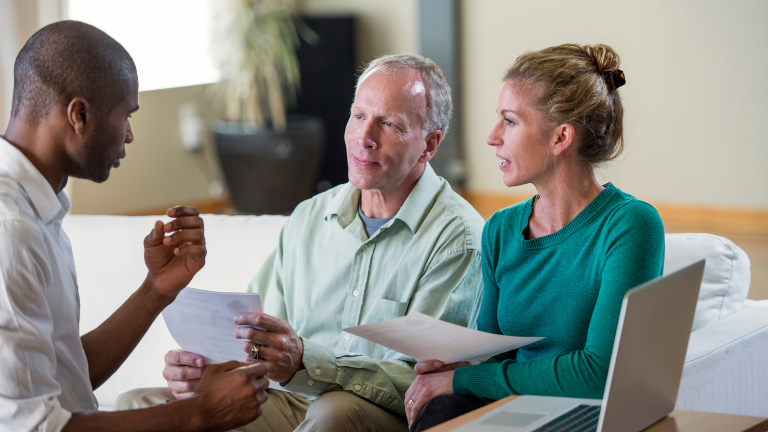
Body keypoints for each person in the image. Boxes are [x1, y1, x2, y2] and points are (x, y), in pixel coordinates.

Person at [117, 54, 486, 432]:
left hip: (376, 413)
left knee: (333, 413)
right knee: (137, 406)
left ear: (429, 145)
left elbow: (426, 382)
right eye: (358, 116)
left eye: (389, 124)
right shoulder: (310, 217)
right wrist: (209, 368)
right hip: (288, 398)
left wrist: (307, 361)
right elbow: (256, 340)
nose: (365, 138)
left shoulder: (459, 239)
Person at [0, 21, 270, 432]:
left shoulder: (37, 208)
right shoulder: (12, 230)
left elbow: (62, 376)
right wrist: (200, 412)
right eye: (125, 115)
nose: (128, 134)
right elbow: (34, 427)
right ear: (79, 114)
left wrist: (155, 291)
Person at [404, 44, 666, 431]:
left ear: (560, 138)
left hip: (584, 417)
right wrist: (455, 368)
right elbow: (492, 356)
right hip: (512, 410)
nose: (492, 137)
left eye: (509, 121)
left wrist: (462, 379)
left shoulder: (630, 225)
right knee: (440, 411)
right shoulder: (500, 229)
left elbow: (598, 375)